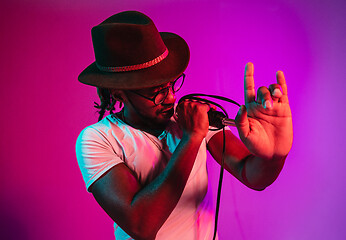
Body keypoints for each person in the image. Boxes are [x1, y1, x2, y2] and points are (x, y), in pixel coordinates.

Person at [76, 11, 293, 240]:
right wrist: (191, 139)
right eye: (155, 92)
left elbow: (251, 175)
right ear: (117, 92)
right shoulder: (98, 139)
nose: (170, 98)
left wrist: (275, 156)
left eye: (170, 84)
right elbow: (141, 225)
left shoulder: (192, 116)